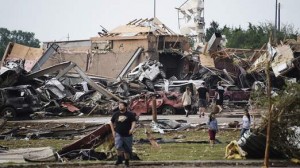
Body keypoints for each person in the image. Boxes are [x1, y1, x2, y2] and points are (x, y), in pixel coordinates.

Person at [110, 101, 136, 167]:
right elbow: (111, 122)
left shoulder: (130, 114)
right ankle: (119, 160)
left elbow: (133, 122)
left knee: (127, 149)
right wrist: (113, 131)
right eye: (119, 105)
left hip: (127, 134)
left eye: (121, 105)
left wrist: (132, 129)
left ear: (125, 106)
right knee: (118, 147)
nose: (120, 106)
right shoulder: (116, 114)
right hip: (118, 133)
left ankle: (127, 161)